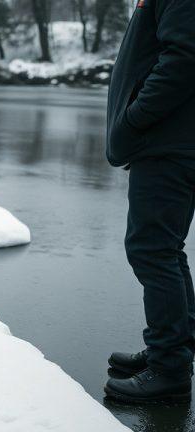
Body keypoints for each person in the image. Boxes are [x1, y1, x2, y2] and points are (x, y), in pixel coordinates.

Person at [104, 0, 195, 404]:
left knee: (151, 249)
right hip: (174, 139)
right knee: (166, 250)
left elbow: (185, 57)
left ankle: (170, 369)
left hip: (168, 142)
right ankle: (173, 350)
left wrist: (136, 118)